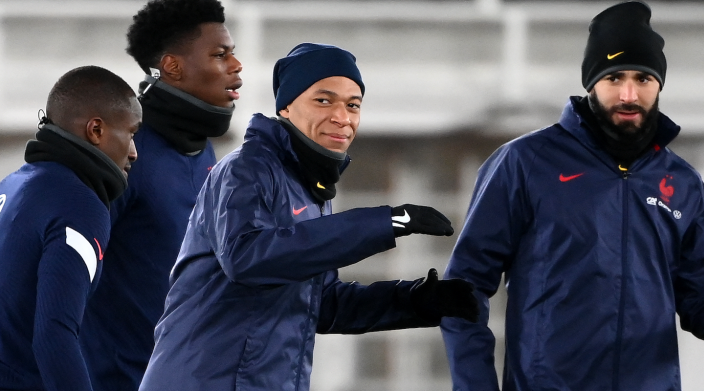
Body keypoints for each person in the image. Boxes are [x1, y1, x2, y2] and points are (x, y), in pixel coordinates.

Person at [138, 42, 479, 391]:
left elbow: (321, 304)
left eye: (353, 105)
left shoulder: (308, 189)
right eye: (323, 100)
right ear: (286, 107)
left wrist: (415, 301)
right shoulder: (246, 168)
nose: (341, 117)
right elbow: (247, 257)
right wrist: (388, 222)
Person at [441, 2, 704, 390]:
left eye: (643, 79)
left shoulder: (681, 183)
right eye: (615, 77)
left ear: (659, 85)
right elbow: (463, 288)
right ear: (591, 83)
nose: (629, 94)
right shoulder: (525, 163)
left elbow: (700, 300)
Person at [79, 1, 242, 390]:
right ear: (172, 67)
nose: (237, 66)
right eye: (221, 55)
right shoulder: (121, 154)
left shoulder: (202, 150)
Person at [0, 66, 140, 391]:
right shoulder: (80, 205)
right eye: (132, 133)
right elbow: (54, 333)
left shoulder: (13, 184)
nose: (134, 152)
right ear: (96, 130)